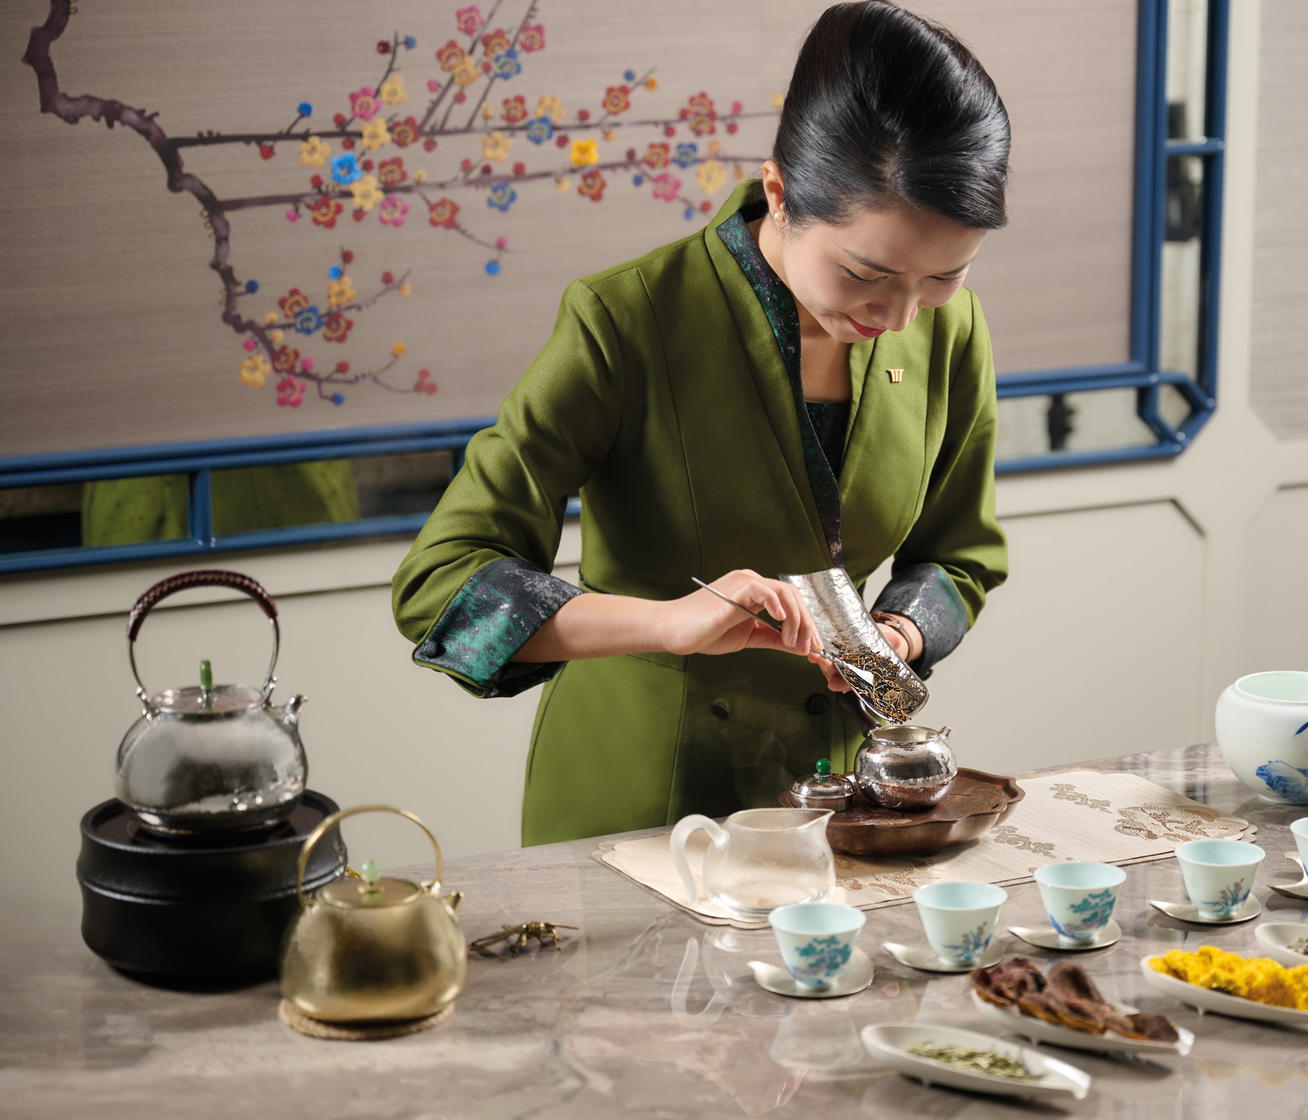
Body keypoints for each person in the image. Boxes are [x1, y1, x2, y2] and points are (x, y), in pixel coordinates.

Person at [392, 0, 1010, 846]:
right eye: (866, 272)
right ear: (780, 193)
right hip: (637, 800)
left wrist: (898, 631)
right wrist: (669, 624)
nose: (903, 315)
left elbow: (958, 555)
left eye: (941, 277)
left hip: (836, 798)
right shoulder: (627, 319)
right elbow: (442, 586)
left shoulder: (954, 329)